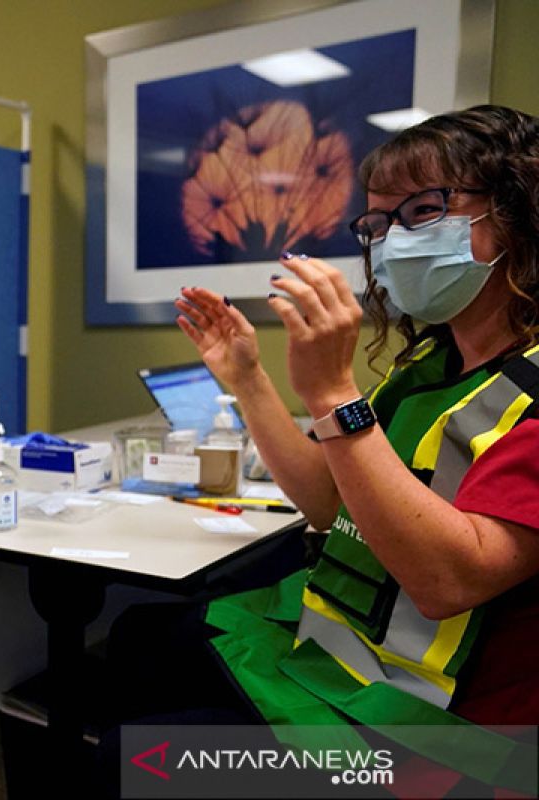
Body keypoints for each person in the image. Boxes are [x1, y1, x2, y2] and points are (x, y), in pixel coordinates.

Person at [107, 105, 539, 790]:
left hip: (445, 727)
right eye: (378, 224)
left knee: (143, 759)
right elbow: (327, 501)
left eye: (424, 210)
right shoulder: (427, 370)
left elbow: (449, 582)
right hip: (341, 659)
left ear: (517, 211)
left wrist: (335, 393)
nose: (393, 242)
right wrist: (248, 377)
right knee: (139, 641)